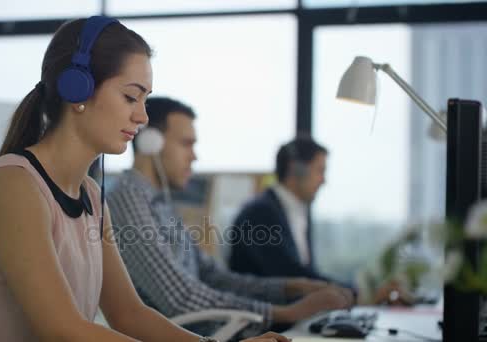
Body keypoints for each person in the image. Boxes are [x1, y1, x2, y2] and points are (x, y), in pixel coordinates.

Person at [0, 16, 288, 342]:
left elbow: (129, 314)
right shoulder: (14, 187)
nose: (143, 117)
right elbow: (63, 329)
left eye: (145, 100)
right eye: (131, 96)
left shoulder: (93, 198)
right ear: (76, 89)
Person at [107, 97, 355, 339]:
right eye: (186, 143)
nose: (194, 156)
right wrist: (285, 312)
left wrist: (292, 287)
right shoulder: (129, 200)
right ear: (151, 142)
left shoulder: (161, 203)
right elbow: (181, 298)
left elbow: (212, 275)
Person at [229, 136, 413, 305]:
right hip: (270, 324)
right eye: (320, 170)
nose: (324, 180)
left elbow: (305, 276)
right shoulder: (260, 213)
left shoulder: (292, 210)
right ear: (296, 169)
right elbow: (292, 277)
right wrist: (359, 294)